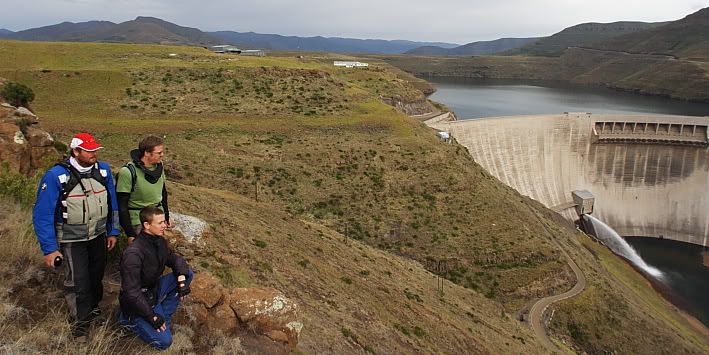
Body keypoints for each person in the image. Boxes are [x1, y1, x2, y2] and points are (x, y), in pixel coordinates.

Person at [32, 132, 120, 340]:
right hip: (72, 239)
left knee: (96, 277)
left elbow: (112, 204)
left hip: (98, 236)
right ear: (76, 151)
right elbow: (42, 214)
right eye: (89, 151)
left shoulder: (103, 171)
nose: (94, 154)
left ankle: (93, 308)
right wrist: (50, 249)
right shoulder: (56, 176)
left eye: (95, 150)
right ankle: (80, 322)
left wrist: (113, 231)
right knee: (77, 281)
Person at [118, 206, 192, 350]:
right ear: (146, 225)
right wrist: (151, 317)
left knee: (187, 273)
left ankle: (165, 317)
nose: (165, 225)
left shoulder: (159, 242)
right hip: (136, 302)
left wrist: (182, 282)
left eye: (164, 221)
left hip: (153, 289)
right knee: (164, 343)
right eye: (160, 223)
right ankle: (127, 320)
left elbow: (176, 260)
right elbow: (131, 293)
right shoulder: (133, 253)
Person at [116, 135, 170, 244]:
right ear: (146, 153)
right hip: (139, 222)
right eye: (159, 153)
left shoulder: (159, 167)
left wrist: (166, 217)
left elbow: (163, 193)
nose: (162, 155)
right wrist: (130, 233)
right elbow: (122, 205)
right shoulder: (127, 172)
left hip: (158, 218)